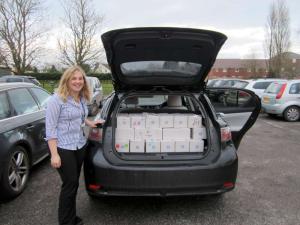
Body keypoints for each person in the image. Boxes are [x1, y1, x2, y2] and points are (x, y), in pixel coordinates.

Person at [46, 65, 104, 225]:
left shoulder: (82, 98)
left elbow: (80, 117)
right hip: (63, 148)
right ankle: (66, 222)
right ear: (67, 80)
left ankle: (71, 218)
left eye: (80, 79)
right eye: (74, 78)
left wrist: (91, 123)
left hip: (79, 145)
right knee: (69, 184)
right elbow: (50, 129)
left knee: (73, 184)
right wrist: (54, 154)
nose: (78, 82)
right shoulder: (56, 100)